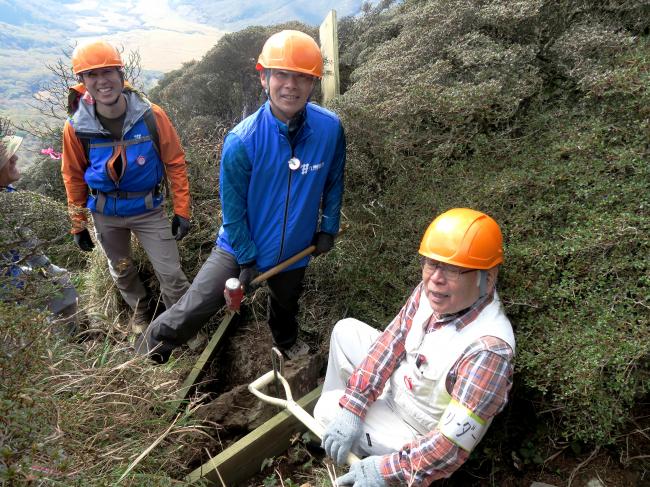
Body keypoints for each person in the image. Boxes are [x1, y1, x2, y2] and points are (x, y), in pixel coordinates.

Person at [137, 30, 346, 362]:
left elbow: (334, 181)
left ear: (313, 83)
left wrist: (328, 228)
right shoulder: (243, 140)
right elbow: (232, 211)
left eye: (302, 77)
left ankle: (286, 343)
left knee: (286, 304)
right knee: (196, 306)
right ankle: (145, 356)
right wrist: (247, 259)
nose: (291, 85)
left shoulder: (330, 129)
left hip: (295, 246)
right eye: (281, 74)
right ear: (264, 78)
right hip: (238, 247)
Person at [315, 208, 516, 486]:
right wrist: (354, 407)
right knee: (345, 331)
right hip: (405, 385)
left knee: (326, 407)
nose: (436, 278)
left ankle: (366, 468)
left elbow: (450, 445)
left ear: (487, 278)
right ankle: (339, 438)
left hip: (418, 431)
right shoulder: (432, 293)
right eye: (432, 263)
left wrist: (386, 471)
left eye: (453, 269)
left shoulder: (489, 352)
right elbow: (390, 343)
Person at [61, 40, 191, 331]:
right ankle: (141, 310)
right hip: (105, 212)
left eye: (108, 71)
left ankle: (181, 324)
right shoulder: (76, 127)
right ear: (82, 82)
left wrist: (182, 210)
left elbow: (174, 162)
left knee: (171, 274)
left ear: (122, 75)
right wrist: (78, 224)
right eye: (91, 75)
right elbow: (72, 175)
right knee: (121, 270)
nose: (101, 81)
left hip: (147, 208)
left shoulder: (150, 115)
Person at [1, 134, 78, 327]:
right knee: (57, 286)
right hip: (8, 281)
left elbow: (25, 241)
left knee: (62, 282)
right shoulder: (6, 202)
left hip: (15, 270)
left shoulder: (9, 194)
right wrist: (45, 267)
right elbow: (23, 241)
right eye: (7, 158)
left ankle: (69, 340)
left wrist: (46, 266)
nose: (15, 158)